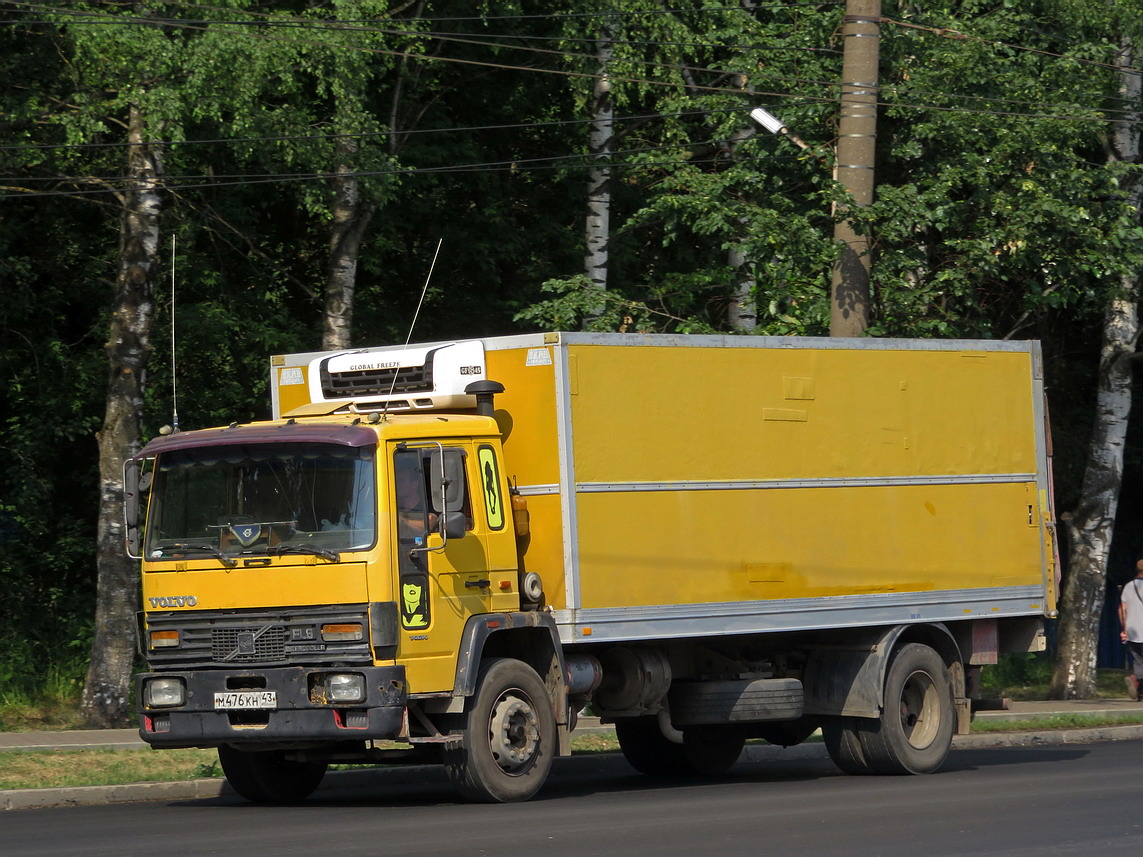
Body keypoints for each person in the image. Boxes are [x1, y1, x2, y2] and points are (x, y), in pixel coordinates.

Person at [1119, 558, 1143, 700]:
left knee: (1138, 660)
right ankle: (1136, 683)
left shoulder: (1128, 586)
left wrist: (1124, 629)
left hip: (1133, 631)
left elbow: (1122, 609)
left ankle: (1138, 686)